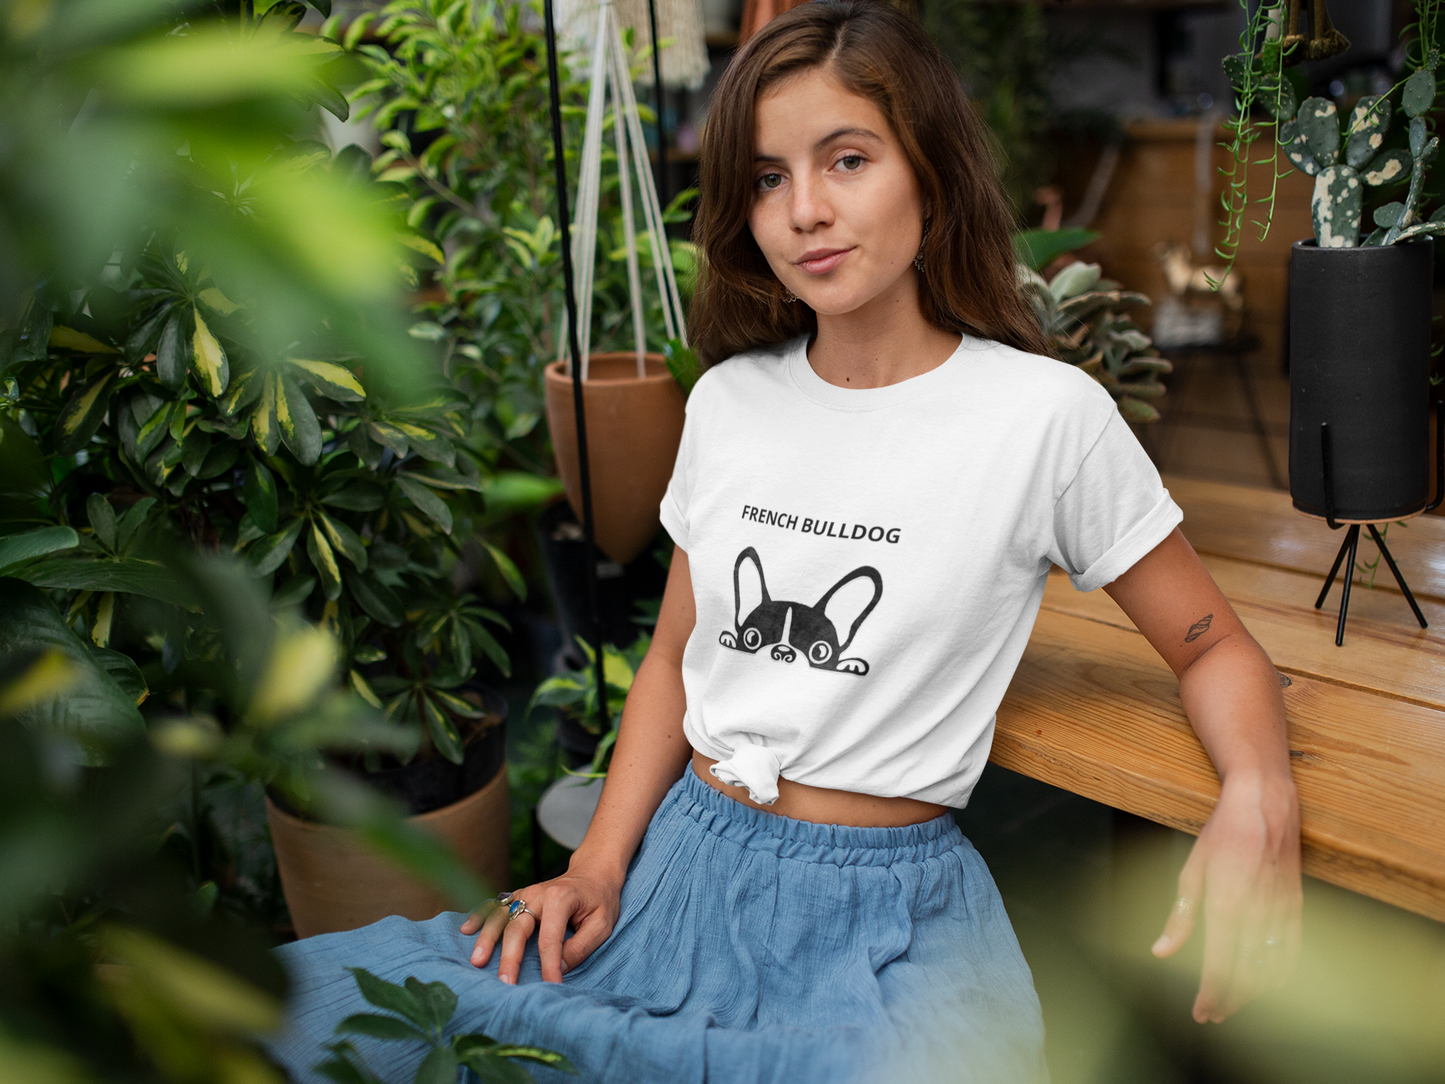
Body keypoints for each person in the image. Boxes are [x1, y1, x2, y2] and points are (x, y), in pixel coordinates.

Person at [269, 2, 1302, 1080]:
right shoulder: (726, 402)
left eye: (845, 159)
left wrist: (1254, 789)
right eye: (766, 178)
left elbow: (1210, 645)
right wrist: (597, 865)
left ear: (930, 171)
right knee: (313, 1019)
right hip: (677, 873)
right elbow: (673, 656)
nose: (804, 209)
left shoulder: (1042, 417)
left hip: (884, 923)